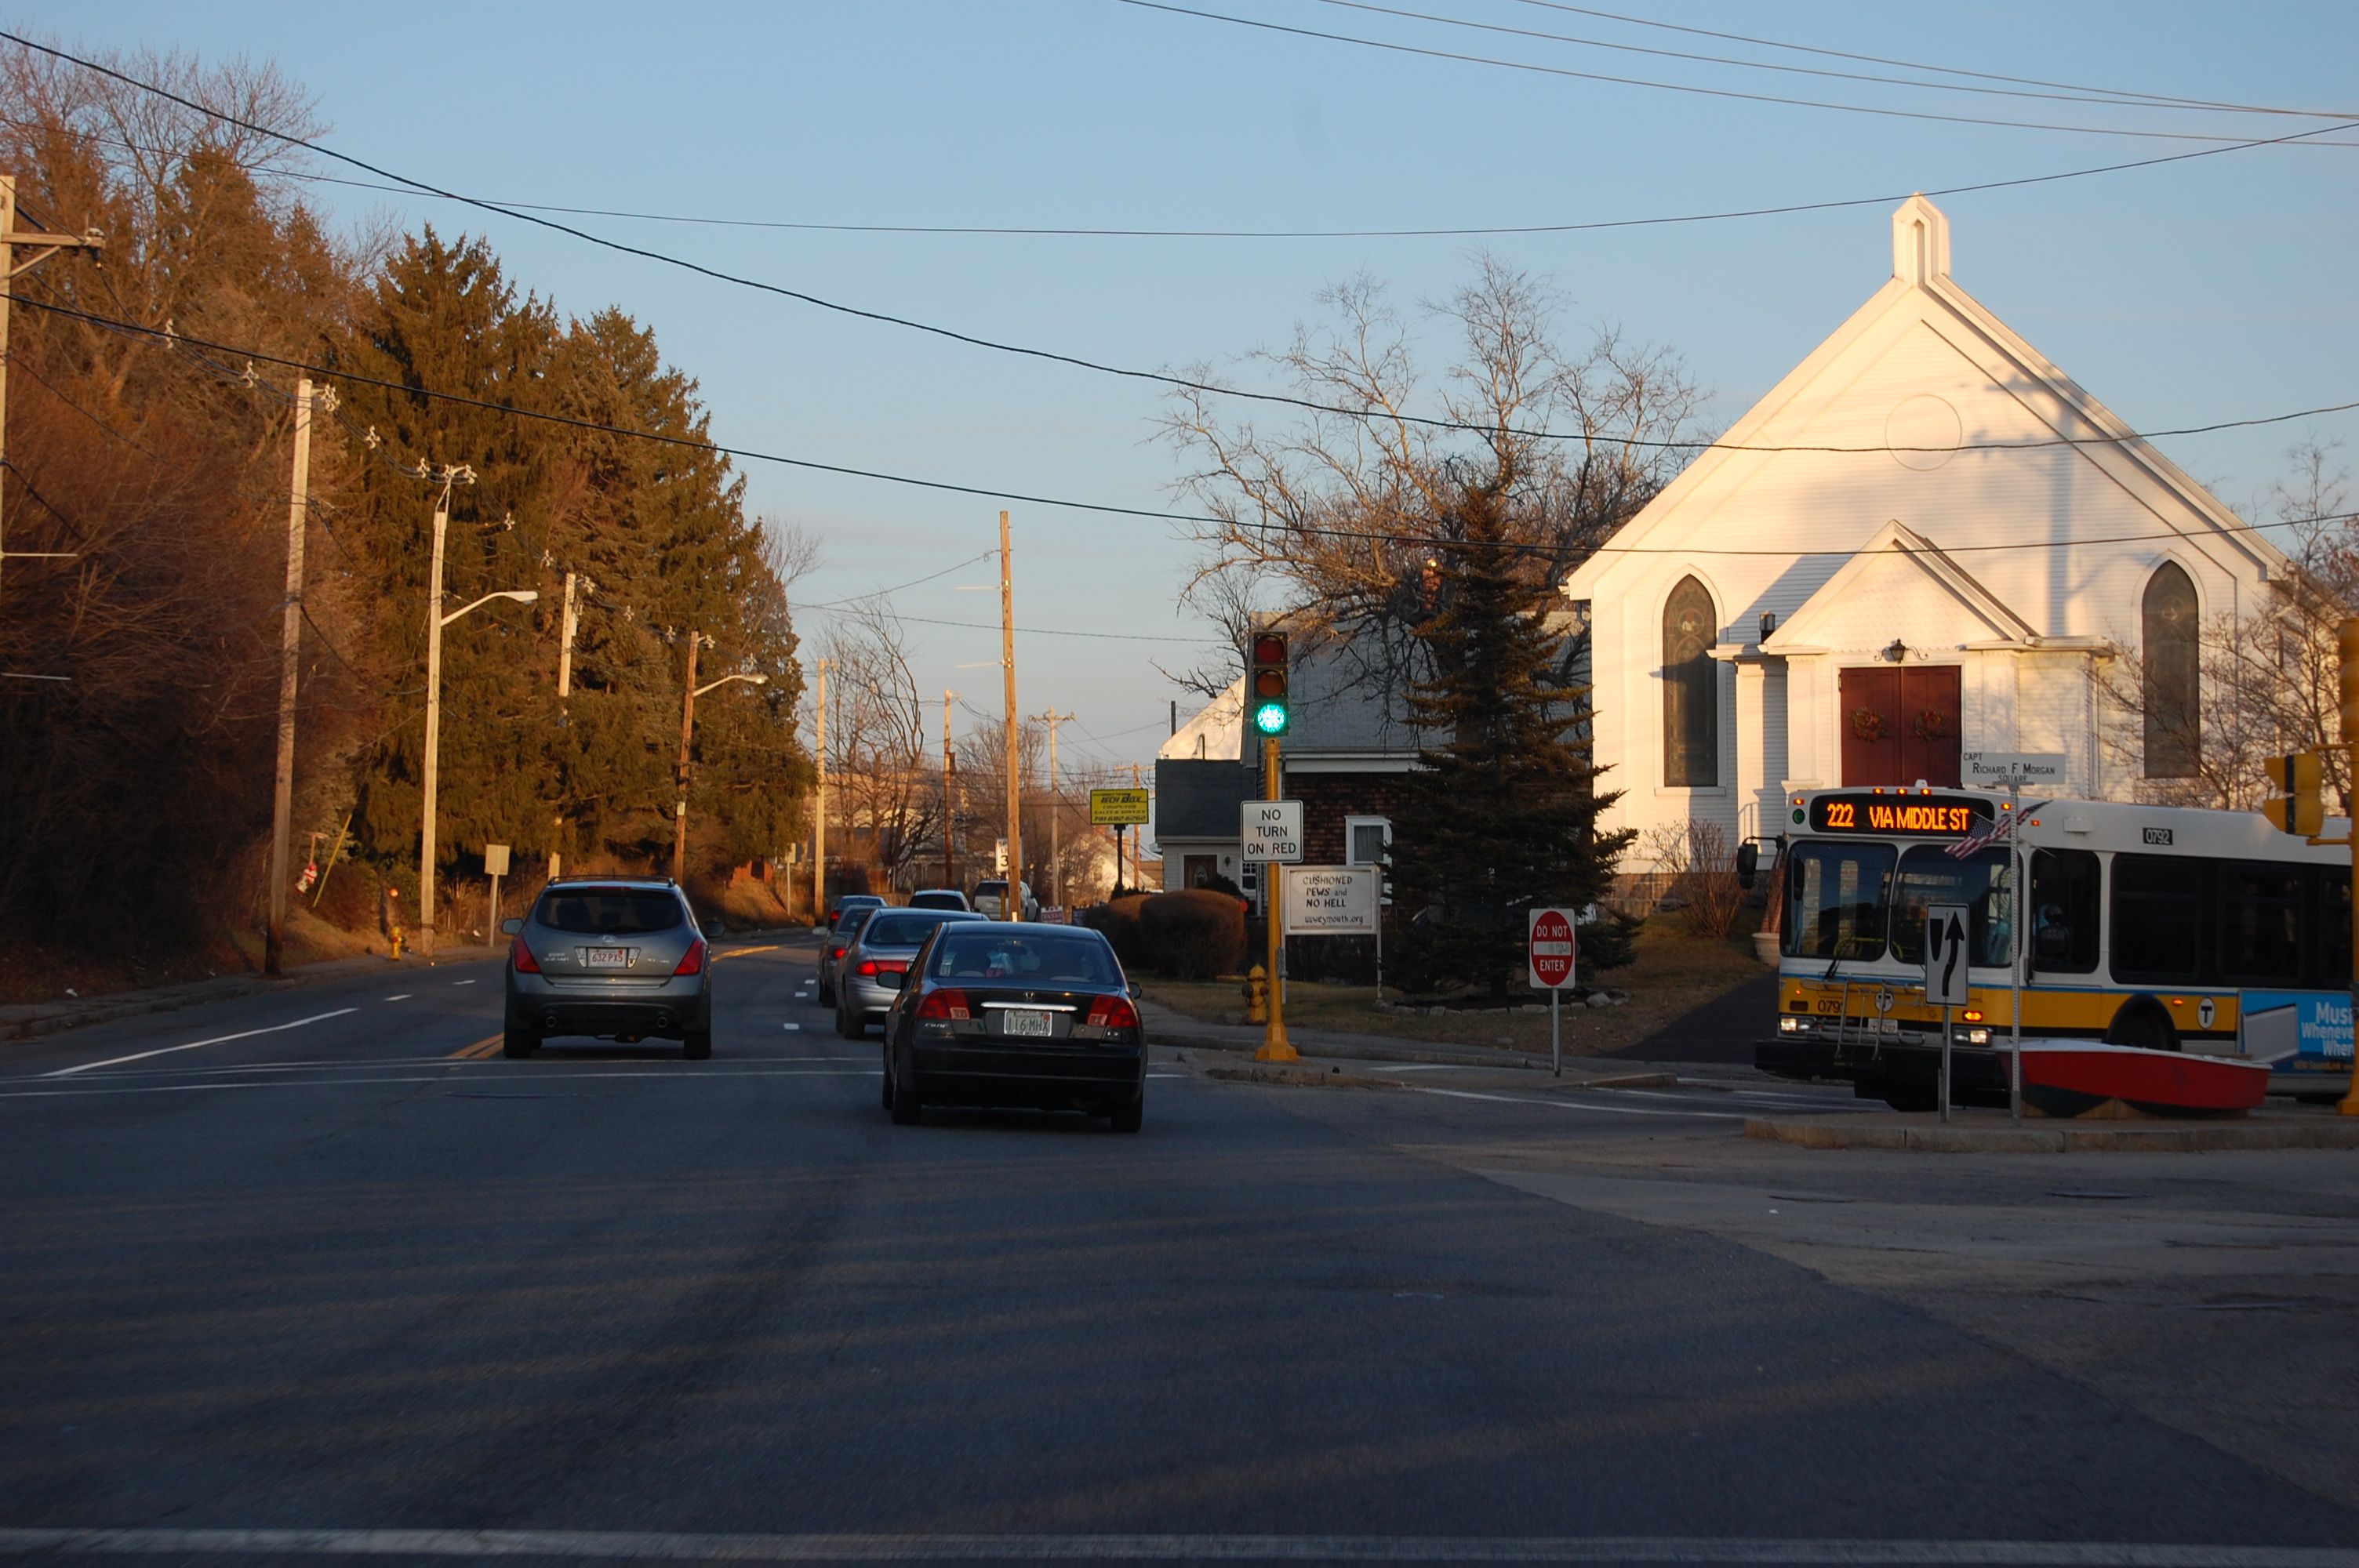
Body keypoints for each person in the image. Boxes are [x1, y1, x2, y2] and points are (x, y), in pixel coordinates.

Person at [383, 885, 405, 961]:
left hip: (395, 925)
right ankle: (395, 954)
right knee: (395, 939)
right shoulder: (389, 902)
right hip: (393, 924)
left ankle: (396, 953)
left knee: (396, 939)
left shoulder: (394, 903)